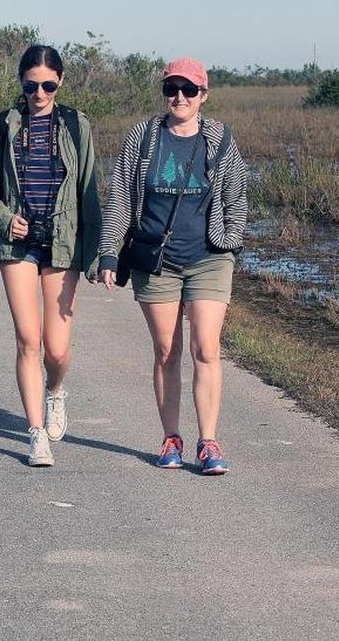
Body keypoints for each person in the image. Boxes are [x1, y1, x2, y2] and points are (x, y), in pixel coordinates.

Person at [97, 57, 248, 475]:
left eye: (188, 90)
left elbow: (237, 194)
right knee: (167, 351)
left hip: (209, 259)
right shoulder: (144, 138)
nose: (179, 97)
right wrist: (109, 253)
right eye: (171, 89)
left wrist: (230, 239)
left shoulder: (219, 139)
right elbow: (121, 199)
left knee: (206, 348)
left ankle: (209, 441)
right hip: (156, 260)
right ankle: (171, 438)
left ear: (203, 95)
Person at [0, 45, 102, 467]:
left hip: (62, 243)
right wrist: (6, 219)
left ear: (59, 82)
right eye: (31, 85)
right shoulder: (5, 125)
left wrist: (99, 253)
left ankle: (56, 392)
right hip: (18, 245)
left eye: (47, 84)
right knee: (28, 338)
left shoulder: (77, 125)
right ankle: (35, 433)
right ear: (21, 83)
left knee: (56, 350)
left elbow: (89, 192)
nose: (39, 92)